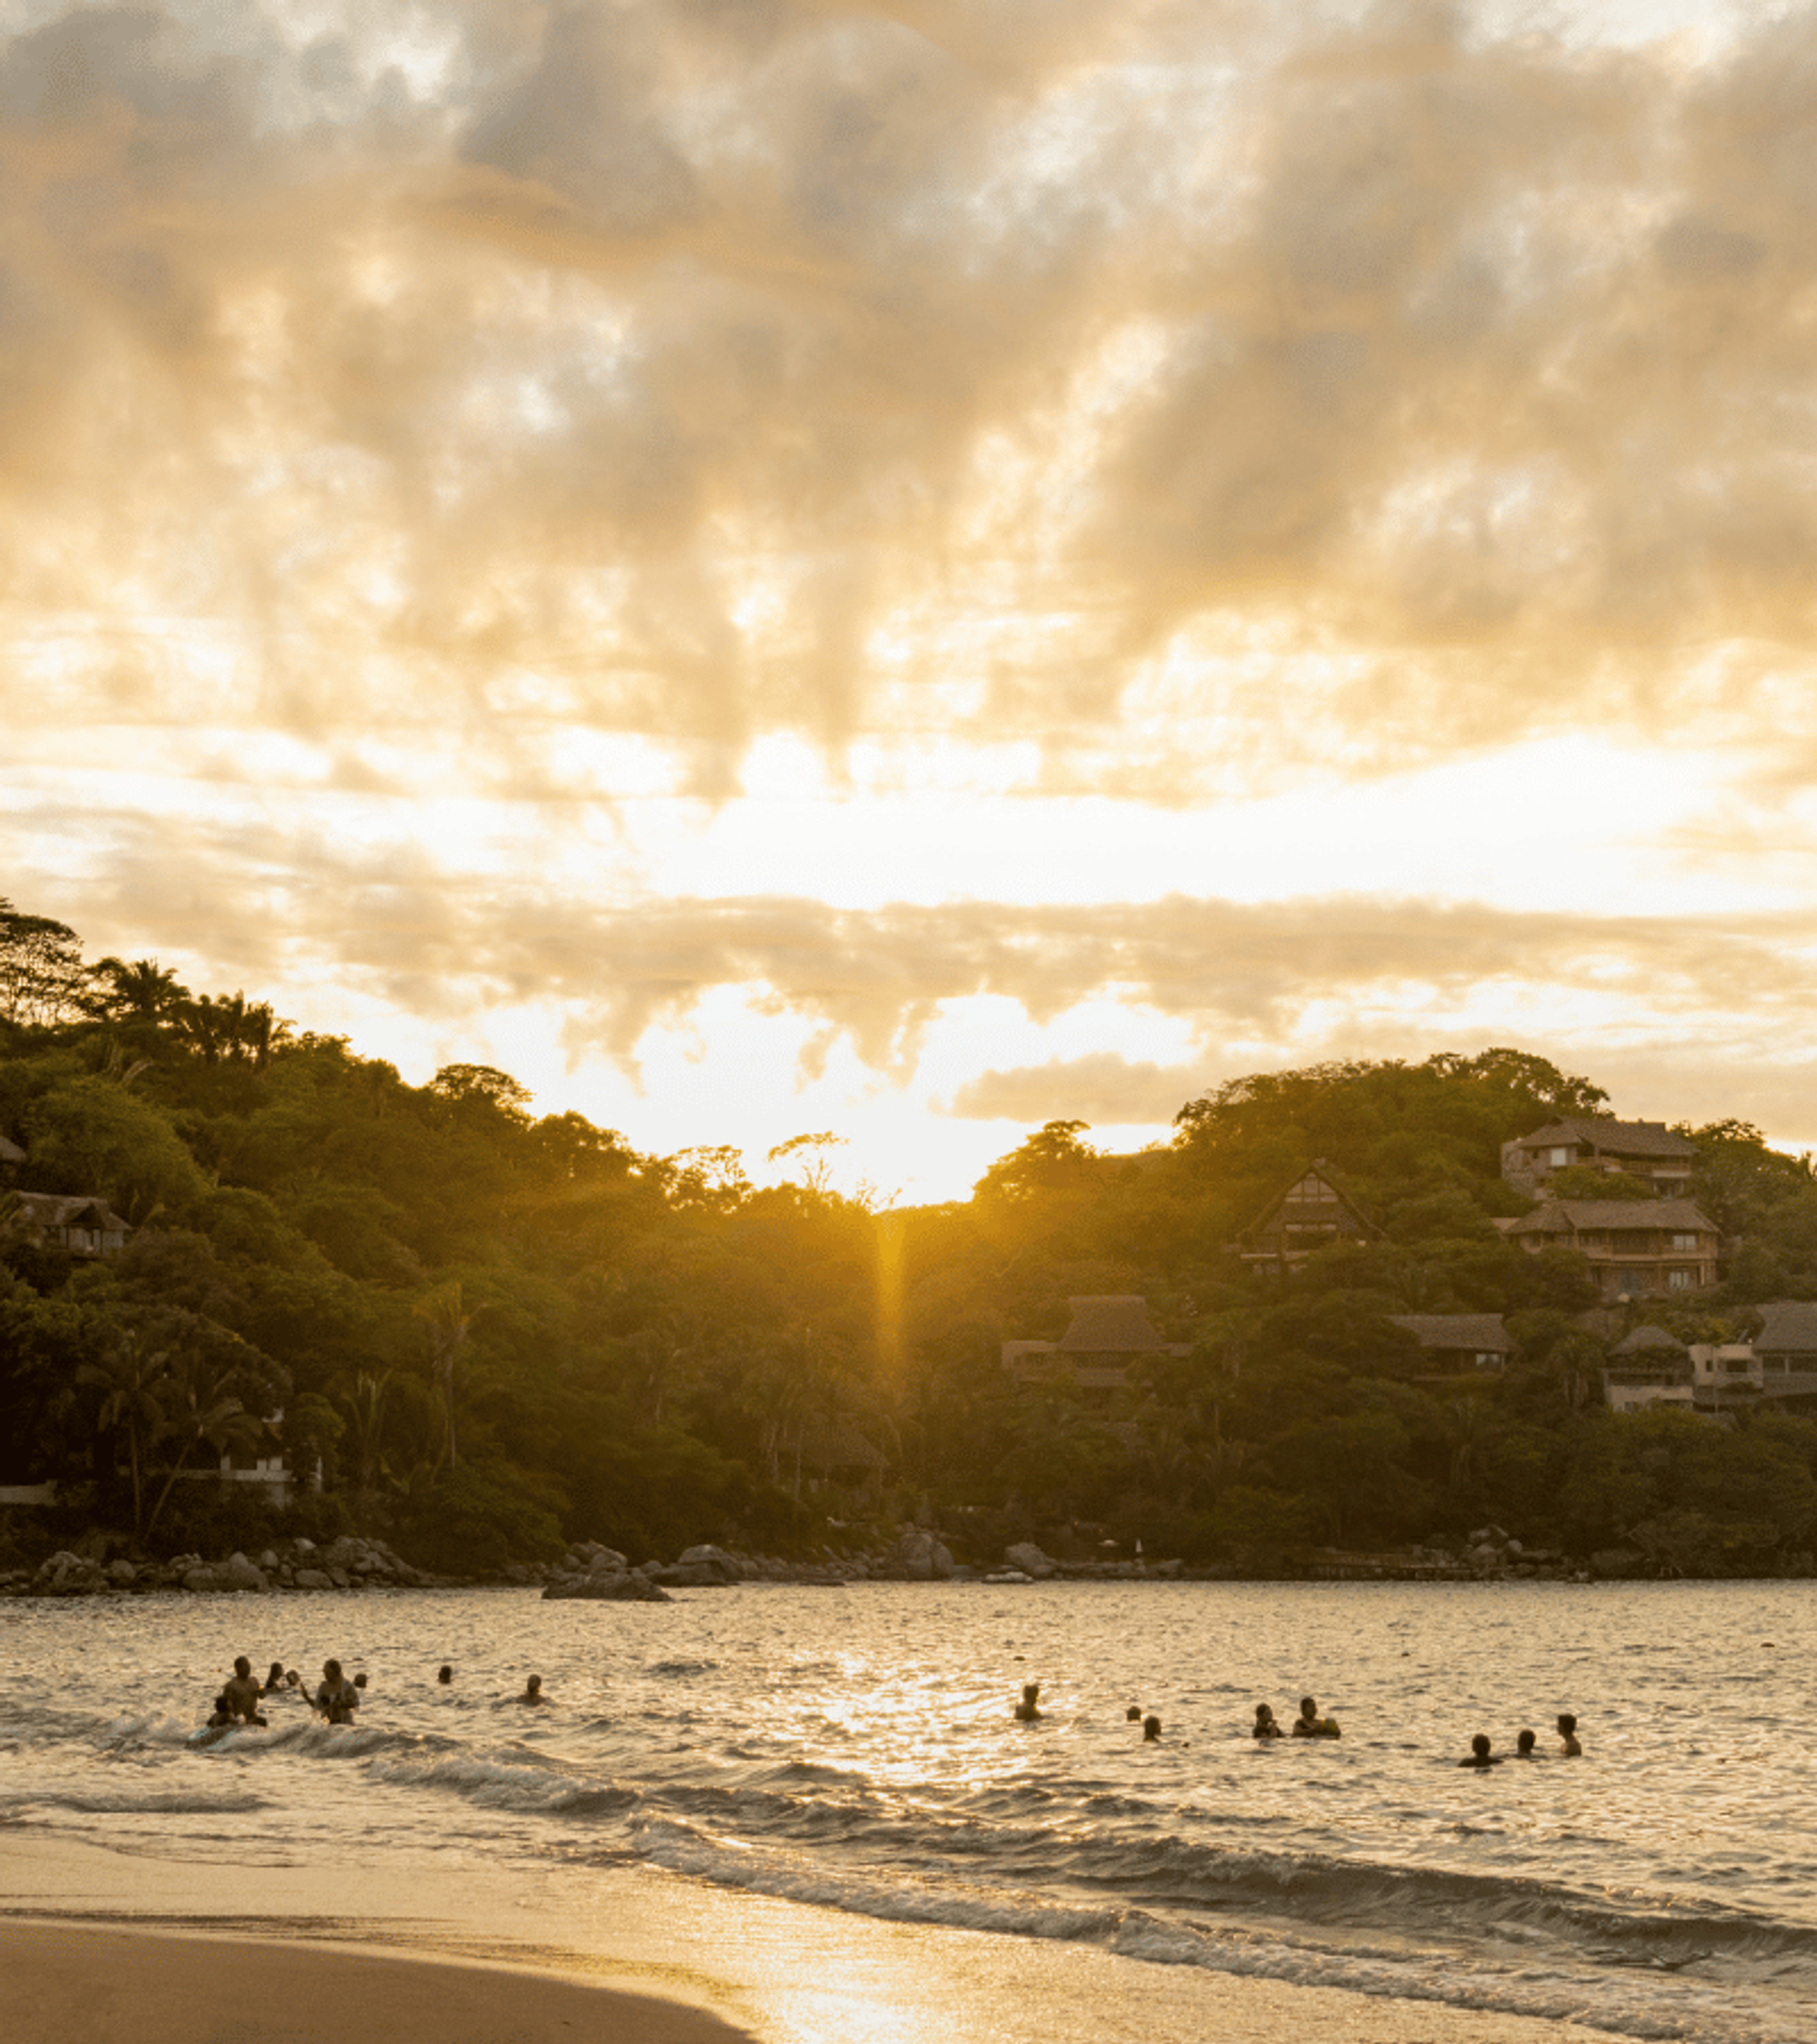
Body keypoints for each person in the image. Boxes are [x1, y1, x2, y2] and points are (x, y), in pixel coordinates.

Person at [223, 1657, 267, 1726]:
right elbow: (225, 1706)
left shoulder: (254, 1681)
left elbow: (263, 1696)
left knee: (263, 1722)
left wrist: (260, 1692)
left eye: (249, 1665)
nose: (248, 1668)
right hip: (238, 1717)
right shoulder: (231, 1685)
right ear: (237, 1669)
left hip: (252, 1715)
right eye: (245, 1666)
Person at [314, 1658, 359, 1725]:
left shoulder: (347, 1685)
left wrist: (340, 1704)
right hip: (330, 1725)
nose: (324, 1673)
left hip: (346, 1724)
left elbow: (355, 1703)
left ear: (334, 1672)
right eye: (324, 1671)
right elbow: (317, 1706)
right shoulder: (323, 1686)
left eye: (326, 1671)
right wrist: (306, 1696)